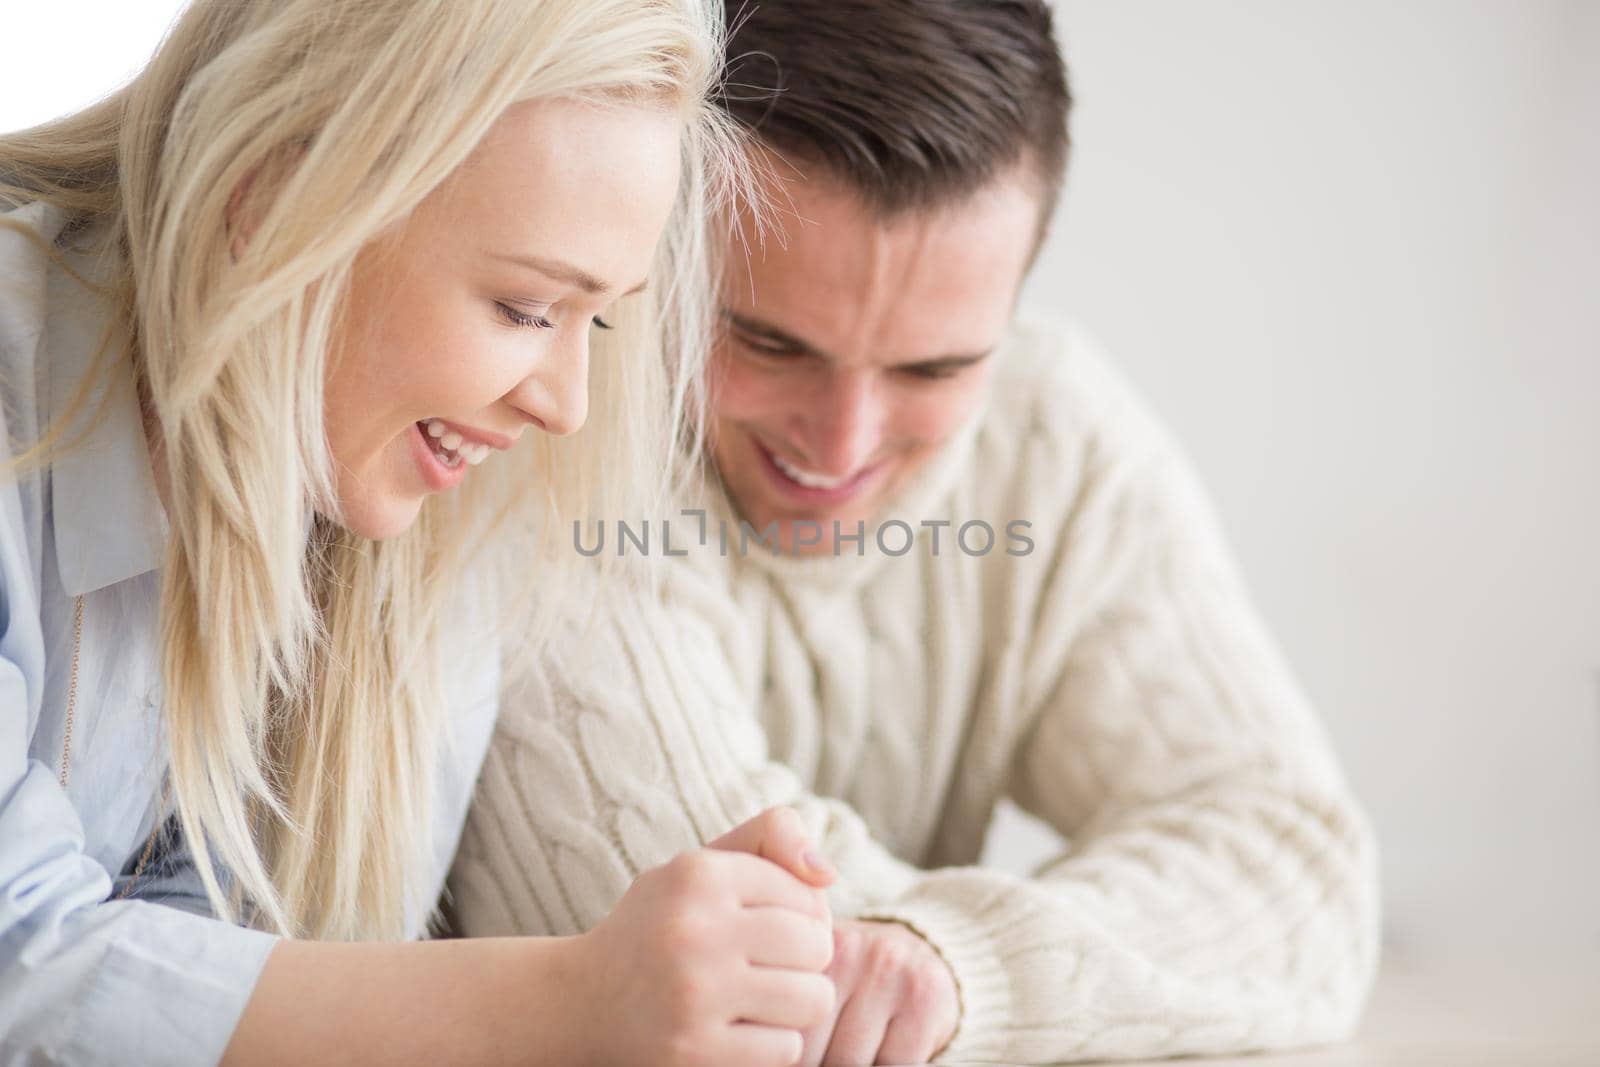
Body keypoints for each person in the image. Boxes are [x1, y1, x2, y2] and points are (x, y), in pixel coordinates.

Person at [449, 1, 1381, 1064]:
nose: (842, 442)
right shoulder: (552, 420)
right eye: (767, 341)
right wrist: (1087, 974)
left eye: (933, 368)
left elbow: (1299, 869)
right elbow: (743, 982)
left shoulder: (1052, 433)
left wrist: (957, 963)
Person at [0, 2, 848, 1064]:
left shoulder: (412, 506)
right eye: (528, 306)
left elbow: (241, 964)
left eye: (604, 316)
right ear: (271, 206)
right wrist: (566, 999)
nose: (568, 405)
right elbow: (21, 964)